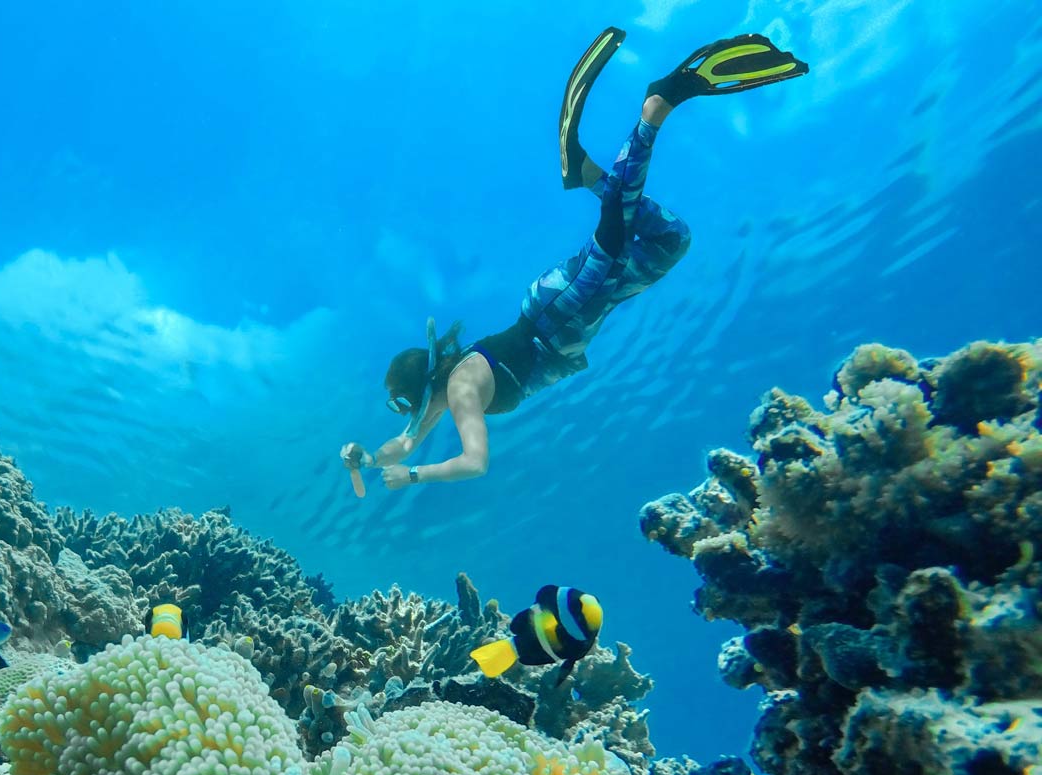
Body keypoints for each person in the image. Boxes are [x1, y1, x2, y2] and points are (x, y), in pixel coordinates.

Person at [341, 28, 808, 490]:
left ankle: (655, 109)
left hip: (558, 322)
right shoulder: (441, 394)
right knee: (670, 240)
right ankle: (582, 169)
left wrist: (417, 475)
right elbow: (402, 445)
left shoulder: (459, 391)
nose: (409, 415)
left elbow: (475, 461)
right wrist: (365, 458)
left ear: (421, 390)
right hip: (554, 311)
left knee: (615, 226)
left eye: (403, 404)